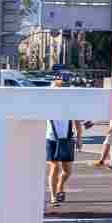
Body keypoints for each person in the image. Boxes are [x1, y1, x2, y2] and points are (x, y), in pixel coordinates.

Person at [45, 79, 78, 207]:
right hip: (52, 139)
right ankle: (53, 196)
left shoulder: (69, 105)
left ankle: (60, 186)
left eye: (59, 89)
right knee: (54, 167)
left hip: (66, 139)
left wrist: (79, 137)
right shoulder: (47, 105)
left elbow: (77, 121)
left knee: (67, 171)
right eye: (54, 89)